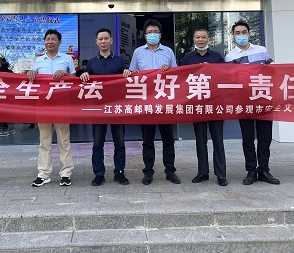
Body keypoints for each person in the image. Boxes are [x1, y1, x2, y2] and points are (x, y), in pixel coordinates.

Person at [123, 19, 179, 185]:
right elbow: (132, 74)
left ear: (160, 35)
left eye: (155, 32)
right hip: (146, 102)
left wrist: (169, 70)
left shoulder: (168, 51)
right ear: (144, 35)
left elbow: (177, 75)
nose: (152, 35)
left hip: (164, 102)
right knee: (148, 140)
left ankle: (170, 171)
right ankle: (148, 172)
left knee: (168, 139)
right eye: (149, 32)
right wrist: (130, 72)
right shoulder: (138, 52)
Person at [225, 21, 280, 186]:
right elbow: (231, 80)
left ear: (249, 33)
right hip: (244, 102)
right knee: (248, 139)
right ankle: (251, 171)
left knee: (265, 138)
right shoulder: (230, 56)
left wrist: (267, 69)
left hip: (264, 100)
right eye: (237, 33)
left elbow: (274, 70)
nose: (241, 35)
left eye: (244, 32)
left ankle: (264, 170)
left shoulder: (261, 50)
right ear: (233, 36)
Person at [27, 29, 76, 187]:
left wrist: (65, 74)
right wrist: (30, 73)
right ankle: (43, 174)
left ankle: (66, 173)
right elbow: (31, 79)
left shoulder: (67, 59)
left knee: (64, 140)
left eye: (53, 39)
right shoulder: (38, 60)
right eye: (47, 39)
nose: (50, 42)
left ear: (59, 42)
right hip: (43, 106)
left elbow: (75, 79)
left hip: (62, 105)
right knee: (44, 141)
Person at [80, 28, 129, 186]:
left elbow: (127, 79)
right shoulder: (92, 62)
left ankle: (119, 172)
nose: (103, 41)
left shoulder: (119, 61)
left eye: (106, 38)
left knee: (119, 142)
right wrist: (84, 75)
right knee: (97, 143)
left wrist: (127, 72)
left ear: (111, 40)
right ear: (96, 42)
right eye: (100, 39)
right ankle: (99, 173)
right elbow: (84, 80)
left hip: (117, 107)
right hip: (98, 109)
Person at [181, 28, 227, 186]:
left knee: (218, 140)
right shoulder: (188, 58)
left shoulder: (217, 57)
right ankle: (202, 172)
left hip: (215, 103)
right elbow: (182, 79)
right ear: (193, 39)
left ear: (209, 39)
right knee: (200, 141)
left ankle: (221, 175)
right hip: (197, 104)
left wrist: (211, 69)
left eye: (203, 37)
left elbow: (225, 76)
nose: (200, 40)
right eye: (197, 37)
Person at [0, 54, 15, 136]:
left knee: (2, 112)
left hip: (1, 94)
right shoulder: (11, 71)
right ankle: (12, 129)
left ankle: (5, 129)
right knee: (10, 112)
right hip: (10, 94)